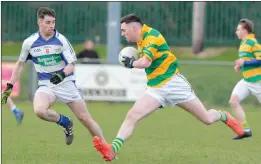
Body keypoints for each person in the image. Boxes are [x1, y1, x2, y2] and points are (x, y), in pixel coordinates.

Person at [92, 13, 244, 161]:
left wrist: (131, 63)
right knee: (132, 115)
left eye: (123, 30)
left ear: (134, 28)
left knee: (207, 119)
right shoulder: (141, 40)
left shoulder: (152, 36)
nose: (122, 34)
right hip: (156, 90)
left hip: (174, 84)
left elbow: (145, 63)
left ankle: (224, 116)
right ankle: (112, 150)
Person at [1, 7, 106, 145]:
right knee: (39, 110)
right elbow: (20, 65)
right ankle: (66, 123)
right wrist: (10, 85)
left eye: (53, 22)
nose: (51, 26)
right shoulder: (29, 43)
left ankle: (106, 147)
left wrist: (62, 74)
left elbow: (72, 64)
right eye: (48, 22)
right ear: (39, 22)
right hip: (46, 85)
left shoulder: (61, 40)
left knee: (85, 118)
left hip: (66, 83)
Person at [229, 18, 261, 140]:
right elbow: (246, 60)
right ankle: (246, 130)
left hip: (258, 82)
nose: (236, 32)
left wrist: (244, 63)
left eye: (238, 29)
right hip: (246, 81)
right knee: (233, 101)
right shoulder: (243, 44)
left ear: (245, 30)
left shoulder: (253, 42)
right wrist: (239, 65)